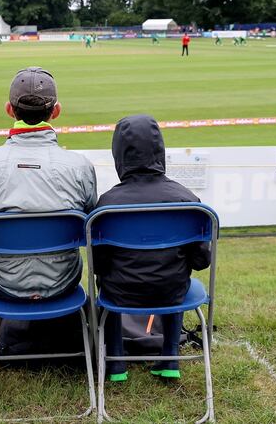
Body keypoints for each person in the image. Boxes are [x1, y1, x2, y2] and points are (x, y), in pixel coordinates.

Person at [93, 114, 211, 382]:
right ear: (161, 151)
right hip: (172, 289)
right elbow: (202, 260)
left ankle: (116, 364)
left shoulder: (106, 204)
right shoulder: (187, 200)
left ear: (119, 154)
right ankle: (170, 357)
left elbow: (99, 264)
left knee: (105, 284)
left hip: (119, 292)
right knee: (177, 280)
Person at [0, 67, 97, 301]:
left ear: (9, 109)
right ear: (56, 111)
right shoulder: (80, 166)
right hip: (62, 280)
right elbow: (90, 228)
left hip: (2, 281)